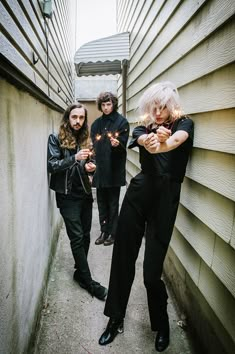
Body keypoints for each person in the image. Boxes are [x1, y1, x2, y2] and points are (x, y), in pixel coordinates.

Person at [98, 82, 194, 351]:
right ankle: (115, 318)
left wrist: (163, 141)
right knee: (123, 257)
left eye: (163, 106)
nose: (159, 111)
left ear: (171, 105)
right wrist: (148, 139)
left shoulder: (185, 124)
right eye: (154, 106)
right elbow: (141, 140)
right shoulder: (143, 127)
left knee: (151, 272)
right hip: (139, 193)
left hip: (166, 201)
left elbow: (176, 141)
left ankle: (161, 325)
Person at [47, 102, 107, 301]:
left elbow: (92, 162)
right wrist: (74, 158)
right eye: (74, 117)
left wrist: (91, 168)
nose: (78, 121)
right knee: (77, 237)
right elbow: (52, 165)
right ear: (68, 118)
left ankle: (79, 272)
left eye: (81, 118)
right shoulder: (55, 138)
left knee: (87, 235)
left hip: (85, 193)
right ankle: (88, 282)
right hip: (66, 196)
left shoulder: (85, 138)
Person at [90, 92, 129, 246]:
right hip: (100, 170)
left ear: (113, 104)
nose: (106, 108)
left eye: (109, 104)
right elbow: (93, 147)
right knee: (101, 203)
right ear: (100, 106)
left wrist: (117, 145)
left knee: (113, 204)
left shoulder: (122, 122)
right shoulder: (96, 124)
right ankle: (103, 231)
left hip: (113, 170)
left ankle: (113, 234)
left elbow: (123, 146)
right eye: (103, 105)